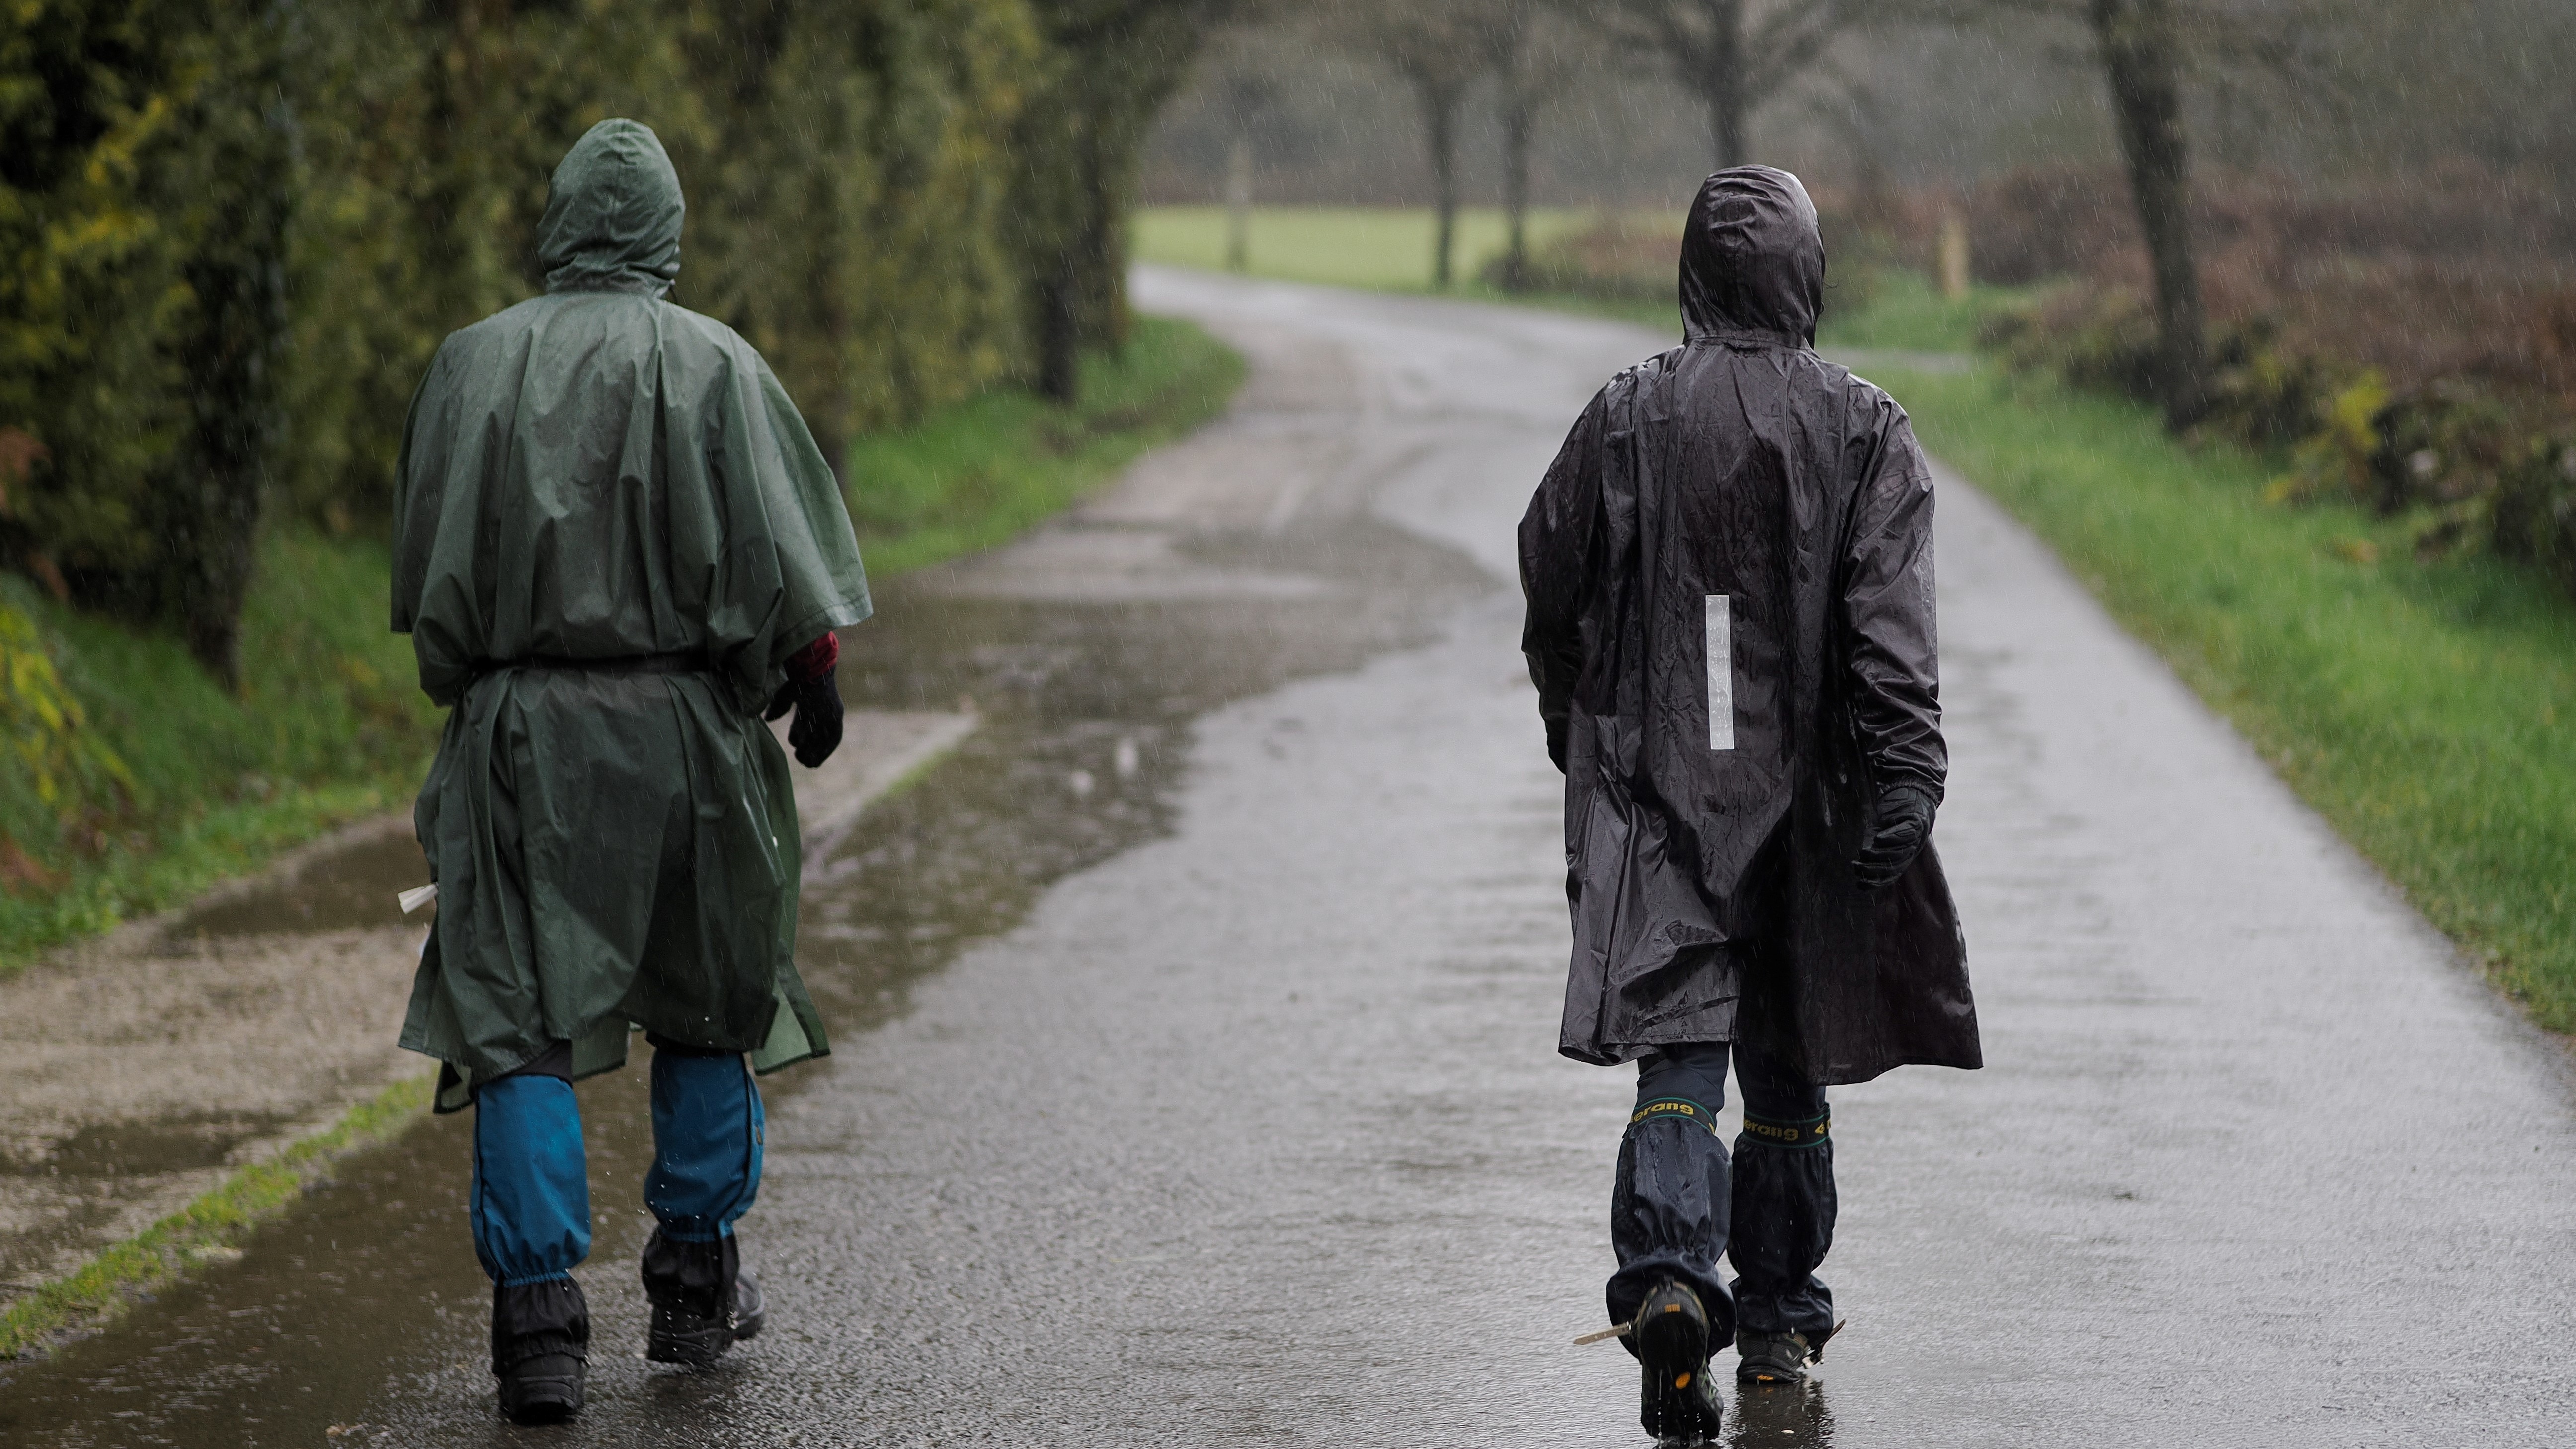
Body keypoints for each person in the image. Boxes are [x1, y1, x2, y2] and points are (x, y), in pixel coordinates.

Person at [390, 118, 870, 1424]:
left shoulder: (473, 364)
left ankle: (538, 1326)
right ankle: (695, 1286)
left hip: (522, 736)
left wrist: (487, 686)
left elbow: (428, 574)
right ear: (663, 230)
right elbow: (780, 549)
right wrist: (811, 670)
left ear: (557, 221)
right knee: (713, 996)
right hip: (687, 739)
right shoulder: (716, 362)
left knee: (518, 1020)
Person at [1518, 166, 1980, 1443]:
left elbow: (1549, 577)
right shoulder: (1863, 428)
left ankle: (1672, 1278)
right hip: (1807, 805)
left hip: (1660, 786)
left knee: (1679, 1047)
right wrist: (1906, 773)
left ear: (1691, 276)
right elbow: (1893, 636)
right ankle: (1775, 1318)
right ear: (1808, 279)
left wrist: (1578, 715)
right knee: (1786, 1054)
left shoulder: (1626, 416)